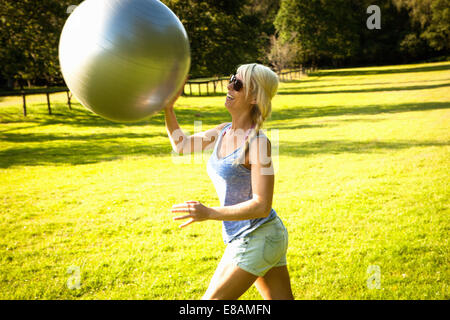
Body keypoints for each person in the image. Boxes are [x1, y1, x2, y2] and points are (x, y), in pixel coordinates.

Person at [164, 63, 294, 300]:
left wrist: (209, 212)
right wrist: (168, 108)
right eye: (231, 79)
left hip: (258, 235)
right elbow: (181, 145)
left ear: (254, 97)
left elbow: (262, 205)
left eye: (238, 84)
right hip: (255, 236)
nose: (229, 86)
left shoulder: (258, 143)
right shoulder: (223, 131)